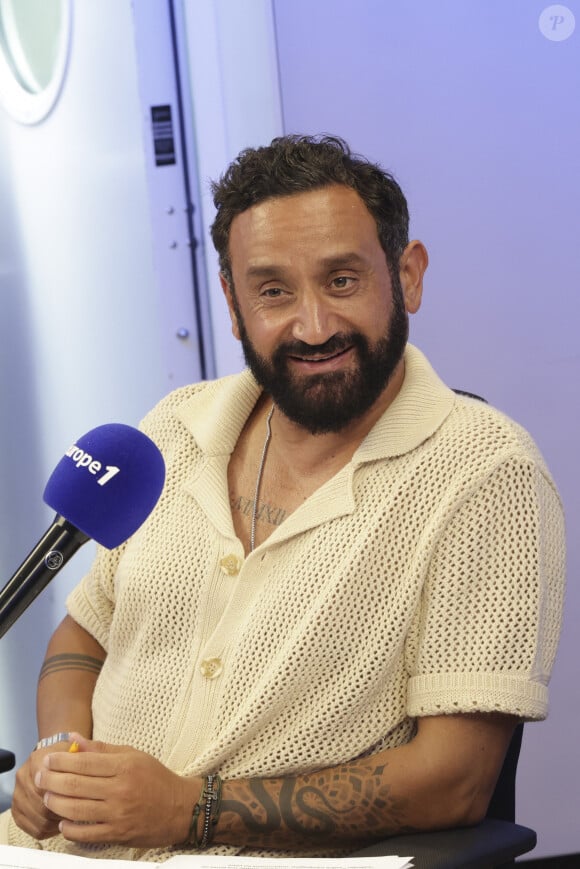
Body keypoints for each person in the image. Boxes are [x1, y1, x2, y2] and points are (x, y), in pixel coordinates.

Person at [0, 135, 565, 861]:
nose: (313, 326)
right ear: (233, 306)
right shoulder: (172, 429)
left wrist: (189, 811)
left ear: (408, 276)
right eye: (273, 290)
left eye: (341, 280)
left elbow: (455, 780)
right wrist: (60, 756)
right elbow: (82, 638)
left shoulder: (486, 474)